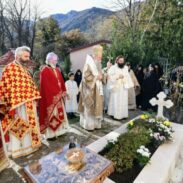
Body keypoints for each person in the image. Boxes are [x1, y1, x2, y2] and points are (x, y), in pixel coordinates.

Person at [0, 46, 41, 158]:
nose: (28, 58)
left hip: (29, 103)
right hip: (17, 106)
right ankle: (20, 149)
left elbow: (30, 86)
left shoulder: (25, 69)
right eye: (25, 56)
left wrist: (34, 97)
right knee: (19, 125)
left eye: (28, 56)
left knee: (30, 124)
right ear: (18, 56)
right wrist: (14, 101)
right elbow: (5, 88)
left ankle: (32, 145)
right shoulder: (10, 68)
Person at [39, 52, 69, 139]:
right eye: (55, 60)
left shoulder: (57, 70)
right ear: (49, 60)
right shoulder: (44, 70)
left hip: (58, 97)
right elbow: (46, 86)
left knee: (60, 114)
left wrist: (63, 91)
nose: (56, 62)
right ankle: (51, 134)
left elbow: (61, 82)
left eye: (56, 60)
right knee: (52, 114)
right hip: (50, 98)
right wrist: (56, 93)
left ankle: (60, 131)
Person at [78, 45, 103, 131]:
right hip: (89, 90)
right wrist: (96, 77)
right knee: (89, 107)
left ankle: (95, 124)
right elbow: (85, 77)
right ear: (95, 56)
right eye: (99, 57)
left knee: (96, 106)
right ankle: (89, 125)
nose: (100, 59)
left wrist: (102, 76)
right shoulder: (88, 64)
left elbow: (99, 74)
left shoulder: (96, 64)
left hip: (96, 89)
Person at [107, 56, 134, 120]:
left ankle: (123, 115)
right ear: (117, 61)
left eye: (122, 61)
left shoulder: (125, 68)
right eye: (120, 61)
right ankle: (115, 114)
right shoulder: (113, 68)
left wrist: (124, 78)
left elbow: (127, 76)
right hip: (116, 87)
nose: (121, 62)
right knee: (116, 100)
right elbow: (110, 76)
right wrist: (117, 76)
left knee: (123, 101)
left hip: (123, 87)